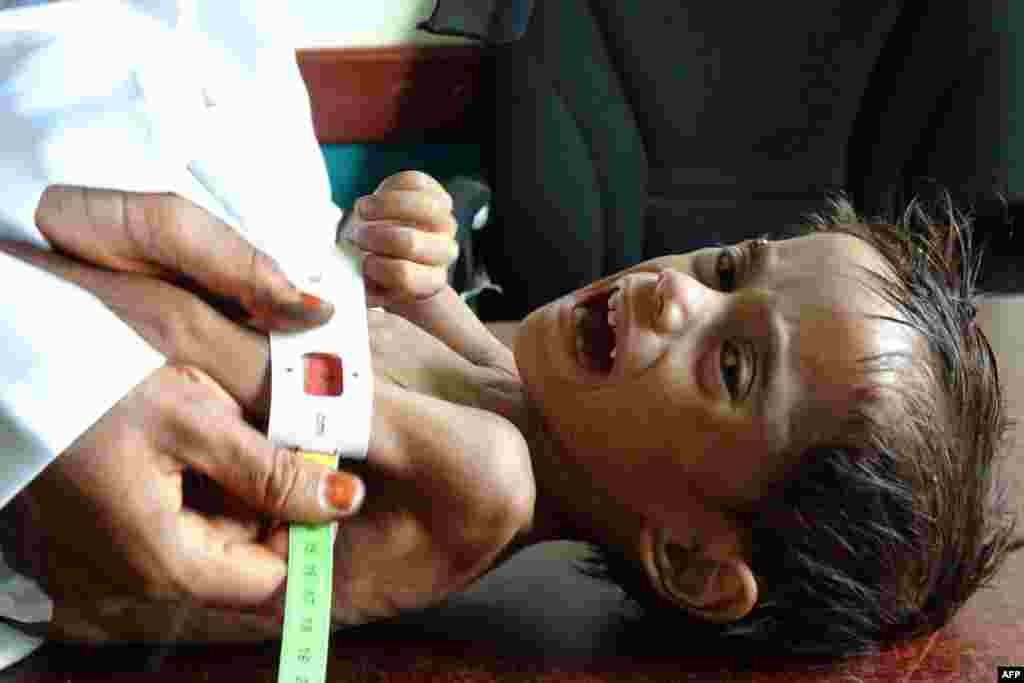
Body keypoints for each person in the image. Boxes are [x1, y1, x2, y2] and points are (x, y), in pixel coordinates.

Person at [7, 173, 1019, 657]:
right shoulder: (507, 383)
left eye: (732, 363)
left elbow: (203, 338)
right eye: (725, 268)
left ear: (695, 560)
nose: (675, 292)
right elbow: (362, 326)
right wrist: (397, 249)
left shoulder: (484, 480)